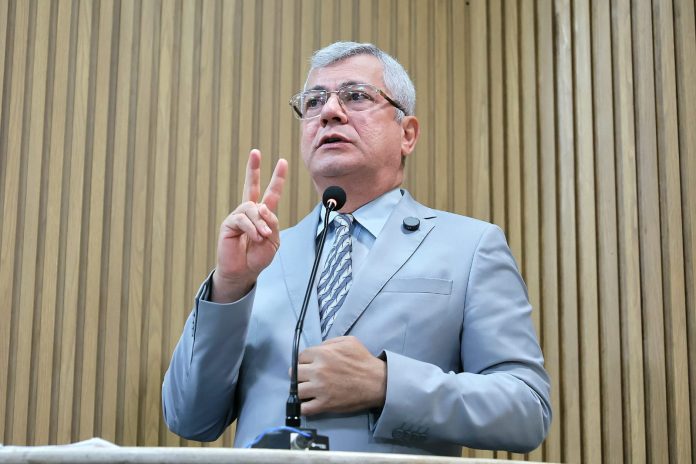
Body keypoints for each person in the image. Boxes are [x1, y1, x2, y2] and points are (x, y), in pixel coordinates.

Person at [162, 42, 551, 456]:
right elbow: (188, 418)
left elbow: (526, 408)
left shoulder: (470, 247)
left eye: (356, 95)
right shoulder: (258, 257)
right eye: (314, 101)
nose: (329, 111)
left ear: (407, 134)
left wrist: (386, 384)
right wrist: (229, 286)